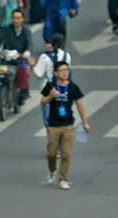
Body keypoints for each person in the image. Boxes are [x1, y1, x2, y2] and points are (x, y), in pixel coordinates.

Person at [40, 61, 90, 190]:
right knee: (51, 154)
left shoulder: (73, 87)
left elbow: (80, 105)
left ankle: (63, 178)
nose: (65, 72)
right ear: (56, 73)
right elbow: (43, 102)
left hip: (68, 124)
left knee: (66, 154)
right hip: (53, 125)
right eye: (62, 70)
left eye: (67, 70)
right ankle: (52, 170)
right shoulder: (50, 86)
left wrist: (84, 122)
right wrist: (50, 96)